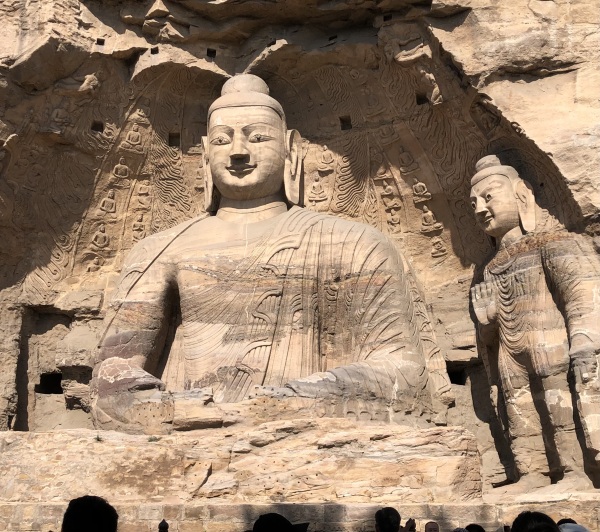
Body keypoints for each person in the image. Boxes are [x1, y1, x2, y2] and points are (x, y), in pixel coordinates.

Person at [91, 74, 451, 432]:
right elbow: (111, 379)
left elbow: (404, 374)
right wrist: (175, 409)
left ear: (291, 148)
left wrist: (285, 402)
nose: (238, 151)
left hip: (311, 434)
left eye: (258, 137)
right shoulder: (160, 250)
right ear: (204, 152)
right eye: (222, 140)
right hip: (190, 428)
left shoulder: (354, 243)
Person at [470, 155, 600, 487]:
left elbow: (579, 293)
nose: (481, 209)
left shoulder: (552, 242)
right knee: (519, 411)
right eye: (473, 203)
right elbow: (488, 338)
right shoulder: (488, 268)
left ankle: (575, 471)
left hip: (550, 341)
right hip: (509, 352)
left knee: (560, 408)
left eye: (489, 197)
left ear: (522, 195)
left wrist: (583, 338)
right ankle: (532, 472)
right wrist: (487, 321)